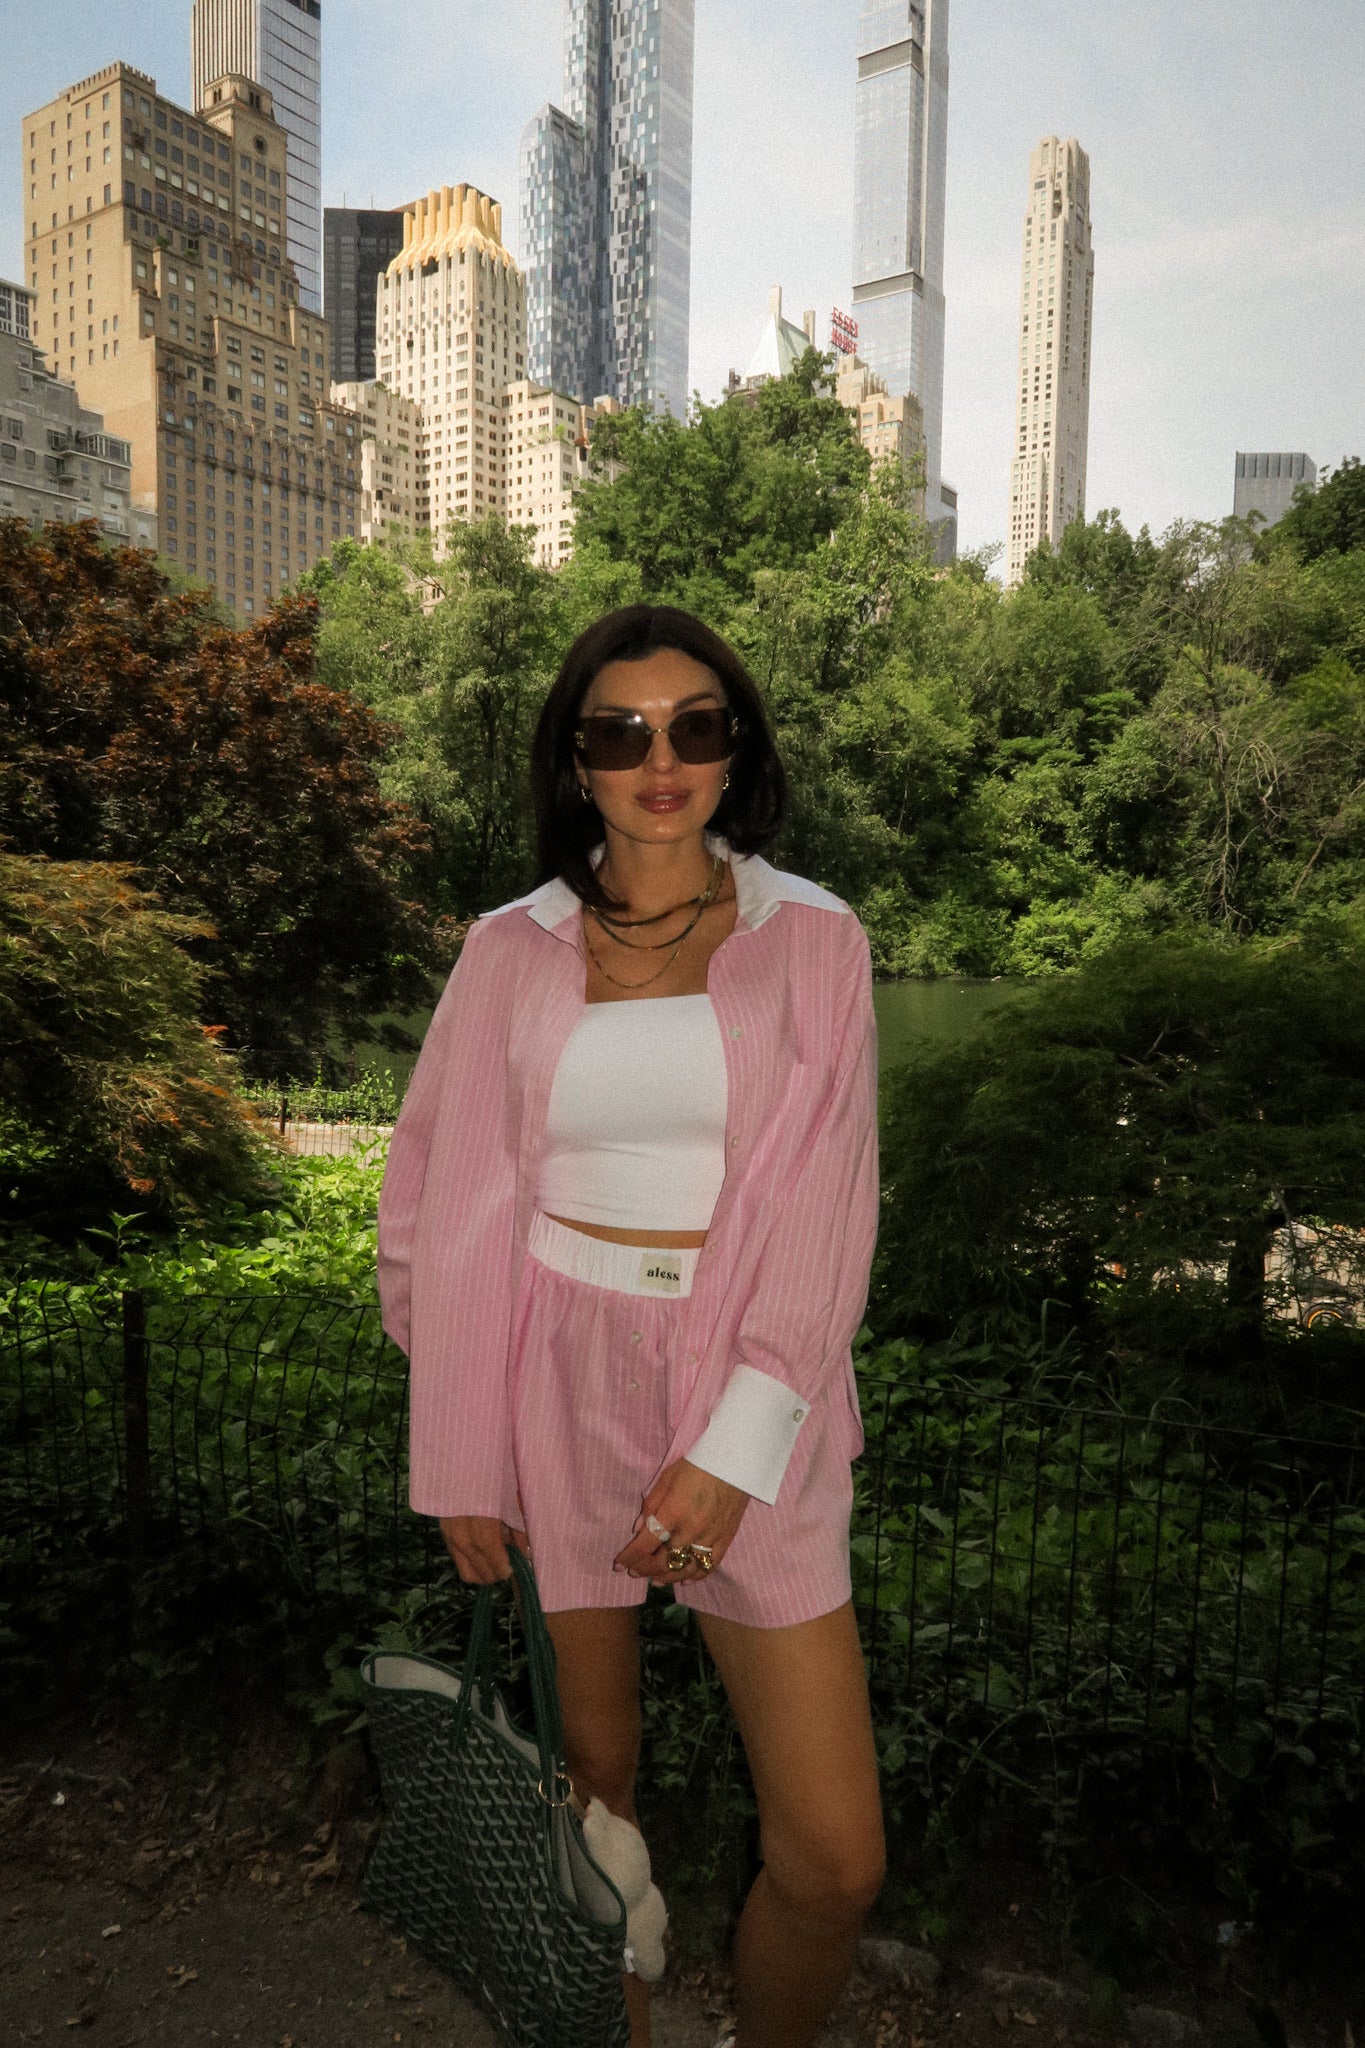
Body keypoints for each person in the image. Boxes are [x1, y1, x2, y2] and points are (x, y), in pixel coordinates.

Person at [377, 604, 884, 2048]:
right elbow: (434, 1201)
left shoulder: (814, 940)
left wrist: (735, 1447)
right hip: (550, 1374)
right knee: (594, 1791)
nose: (660, 761)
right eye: (621, 732)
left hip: (750, 1389)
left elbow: (829, 1210)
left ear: (735, 751)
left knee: (835, 1856)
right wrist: (466, 1450)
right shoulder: (506, 950)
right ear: (576, 761)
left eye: (694, 726)